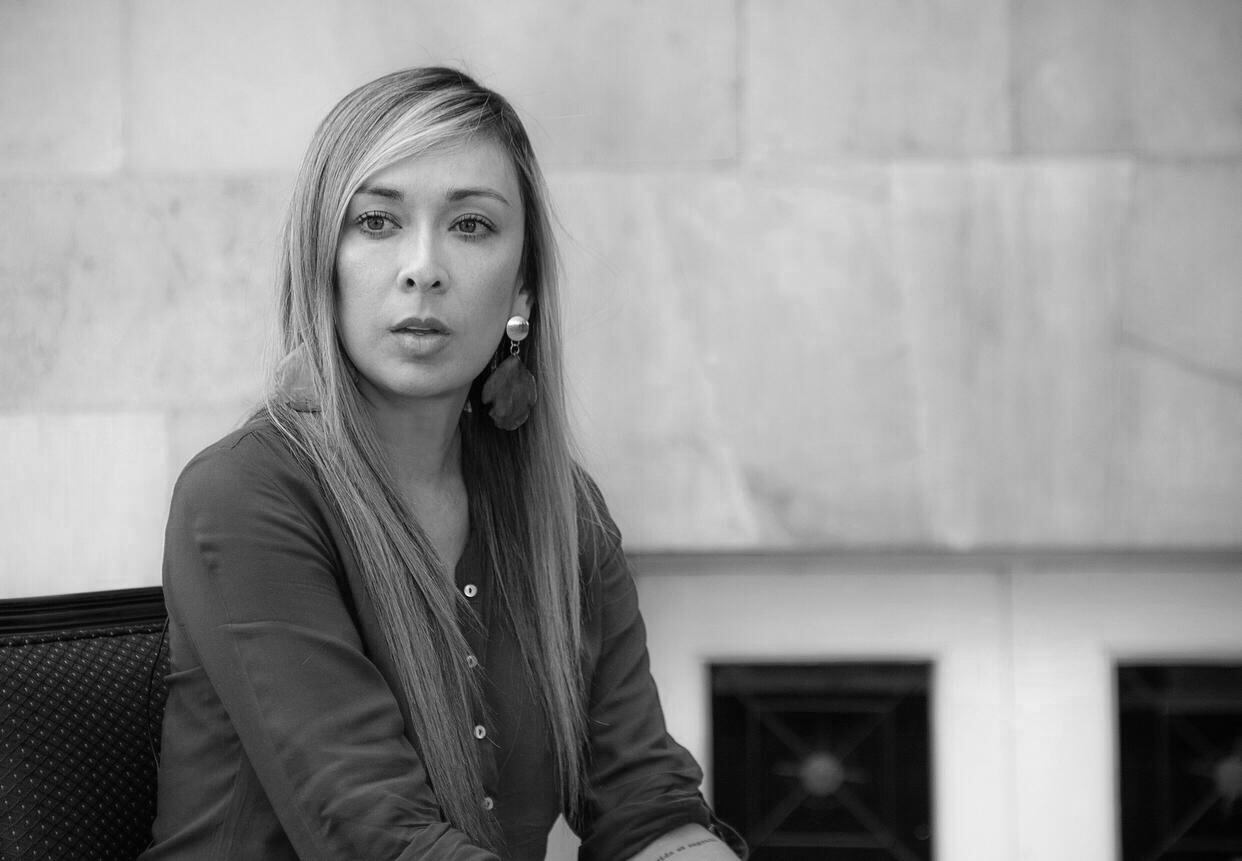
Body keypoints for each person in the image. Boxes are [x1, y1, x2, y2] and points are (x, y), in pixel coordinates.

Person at [140, 67, 746, 861]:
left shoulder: (563, 512)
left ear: (522, 289)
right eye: (377, 221)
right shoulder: (244, 494)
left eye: (470, 225)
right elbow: (379, 839)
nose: (423, 267)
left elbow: (645, 806)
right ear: (322, 262)